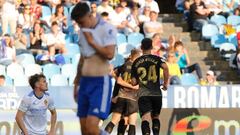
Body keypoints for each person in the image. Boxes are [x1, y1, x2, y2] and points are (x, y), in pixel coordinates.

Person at [71, 2, 117, 135]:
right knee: (84, 130)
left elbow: (109, 54)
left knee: (92, 127)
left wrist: (92, 42)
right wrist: (76, 83)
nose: (80, 25)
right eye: (78, 23)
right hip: (85, 82)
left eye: (82, 22)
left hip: (100, 83)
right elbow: (82, 58)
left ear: (90, 15)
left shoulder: (107, 28)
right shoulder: (82, 32)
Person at [131, 38, 169, 135]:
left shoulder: (136, 62)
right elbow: (165, 67)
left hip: (143, 94)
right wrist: (165, 83)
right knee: (155, 117)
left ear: (141, 47)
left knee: (145, 118)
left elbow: (134, 82)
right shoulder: (157, 58)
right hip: (156, 93)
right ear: (151, 47)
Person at [105, 49, 141, 135]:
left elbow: (115, 75)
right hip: (133, 98)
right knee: (131, 124)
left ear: (130, 56)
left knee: (113, 122)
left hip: (121, 96)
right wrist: (133, 86)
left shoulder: (124, 66)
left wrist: (113, 74)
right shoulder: (139, 69)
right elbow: (139, 86)